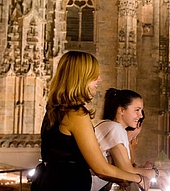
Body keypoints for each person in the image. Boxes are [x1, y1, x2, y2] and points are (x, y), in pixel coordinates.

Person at [32, 51, 148, 191]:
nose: (99, 80)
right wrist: (138, 179)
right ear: (81, 77)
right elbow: (101, 169)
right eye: (94, 75)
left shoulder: (55, 109)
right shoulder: (75, 114)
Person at [91, 88, 169, 191]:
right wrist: (160, 173)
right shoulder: (115, 128)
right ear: (121, 110)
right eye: (137, 110)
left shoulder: (111, 126)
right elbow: (127, 171)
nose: (140, 115)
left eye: (141, 111)